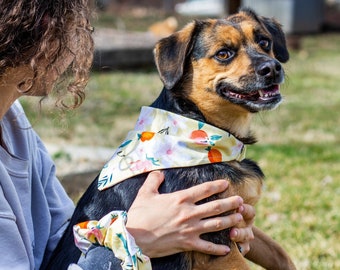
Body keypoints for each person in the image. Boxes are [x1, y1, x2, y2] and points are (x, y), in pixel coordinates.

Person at [0, 0, 255, 269]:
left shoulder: (14, 124)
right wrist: (132, 240)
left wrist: (206, 224)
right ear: (36, 30)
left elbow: (66, 240)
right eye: (73, 28)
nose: (76, 45)